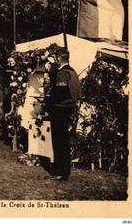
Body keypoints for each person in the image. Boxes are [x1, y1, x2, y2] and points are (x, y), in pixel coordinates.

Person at [44, 48, 81, 181]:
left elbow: (59, 94)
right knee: (63, 141)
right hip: (68, 109)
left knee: (59, 141)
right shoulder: (73, 72)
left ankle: (61, 171)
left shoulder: (62, 73)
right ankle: (63, 170)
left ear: (59, 58)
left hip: (60, 110)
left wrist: (47, 101)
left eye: (55, 58)